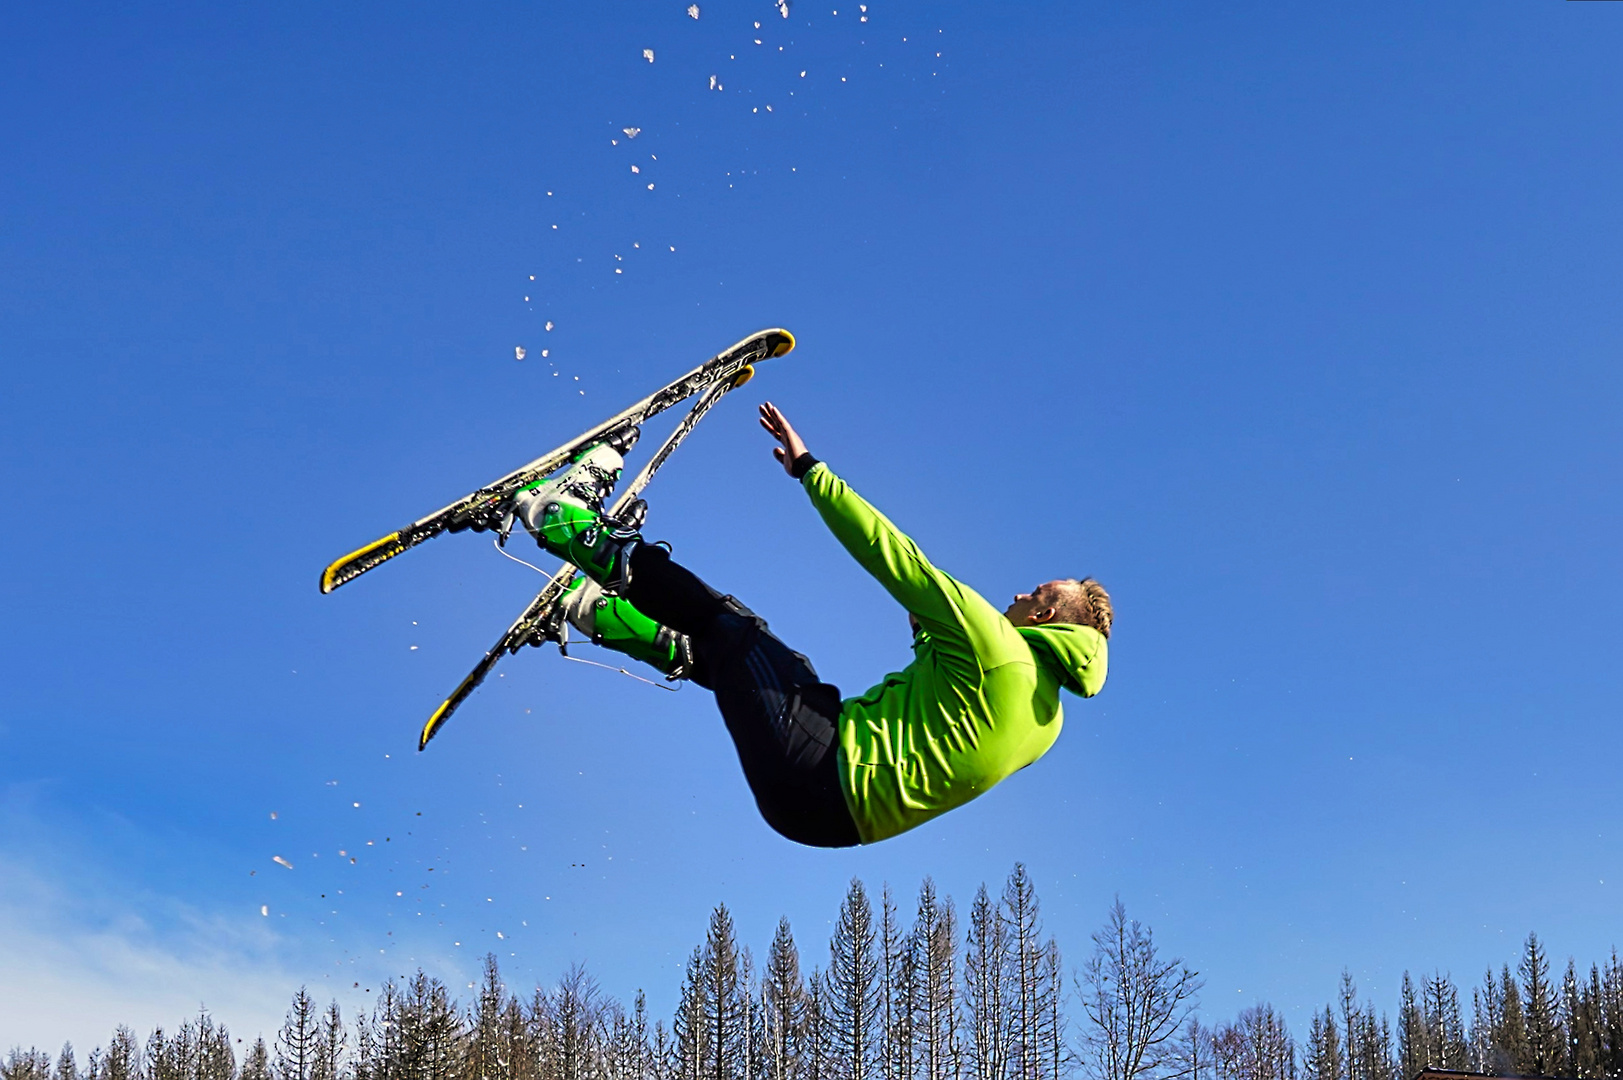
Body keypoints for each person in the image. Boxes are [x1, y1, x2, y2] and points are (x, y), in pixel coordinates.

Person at [510, 402, 1110, 847]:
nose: (1019, 592)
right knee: (769, 670)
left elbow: (893, 553)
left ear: (1048, 615)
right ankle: (596, 614)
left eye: (1036, 593)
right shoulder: (1046, 727)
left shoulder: (995, 644)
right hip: (822, 820)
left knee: (735, 630)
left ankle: (562, 520)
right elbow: (957, 730)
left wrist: (809, 469)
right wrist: (927, 631)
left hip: (823, 764)